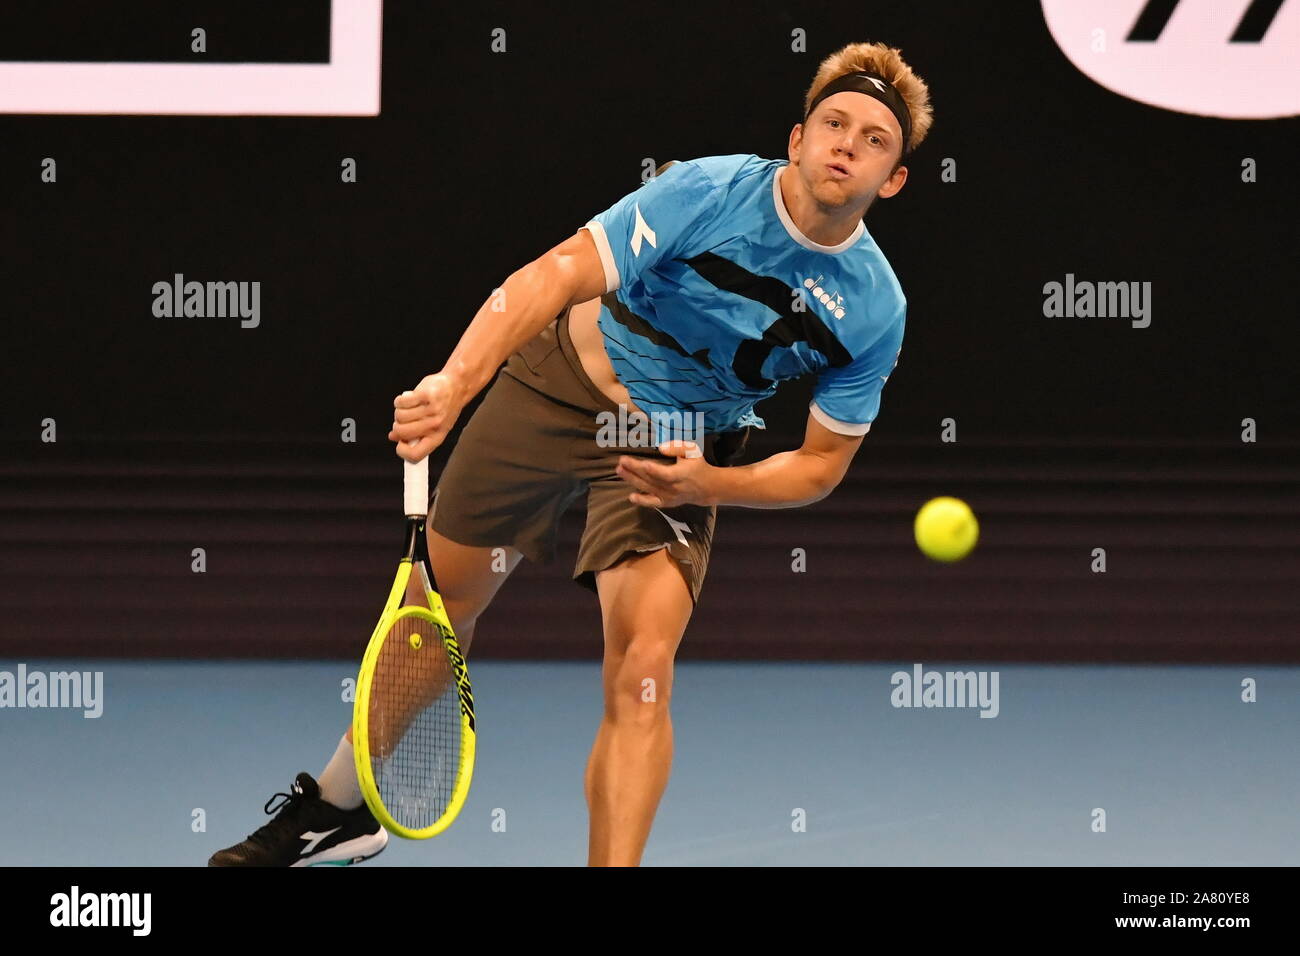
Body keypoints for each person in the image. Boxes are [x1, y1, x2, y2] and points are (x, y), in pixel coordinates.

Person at [209, 39, 933, 867]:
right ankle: (339, 808)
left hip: (673, 450)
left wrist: (712, 482)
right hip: (560, 388)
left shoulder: (874, 310)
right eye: (833, 122)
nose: (847, 143)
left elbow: (821, 465)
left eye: (874, 139)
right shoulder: (704, 190)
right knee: (435, 610)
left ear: (894, 178)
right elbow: (557, 274)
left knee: (642, 668)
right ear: (796, 137)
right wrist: (455, 382)